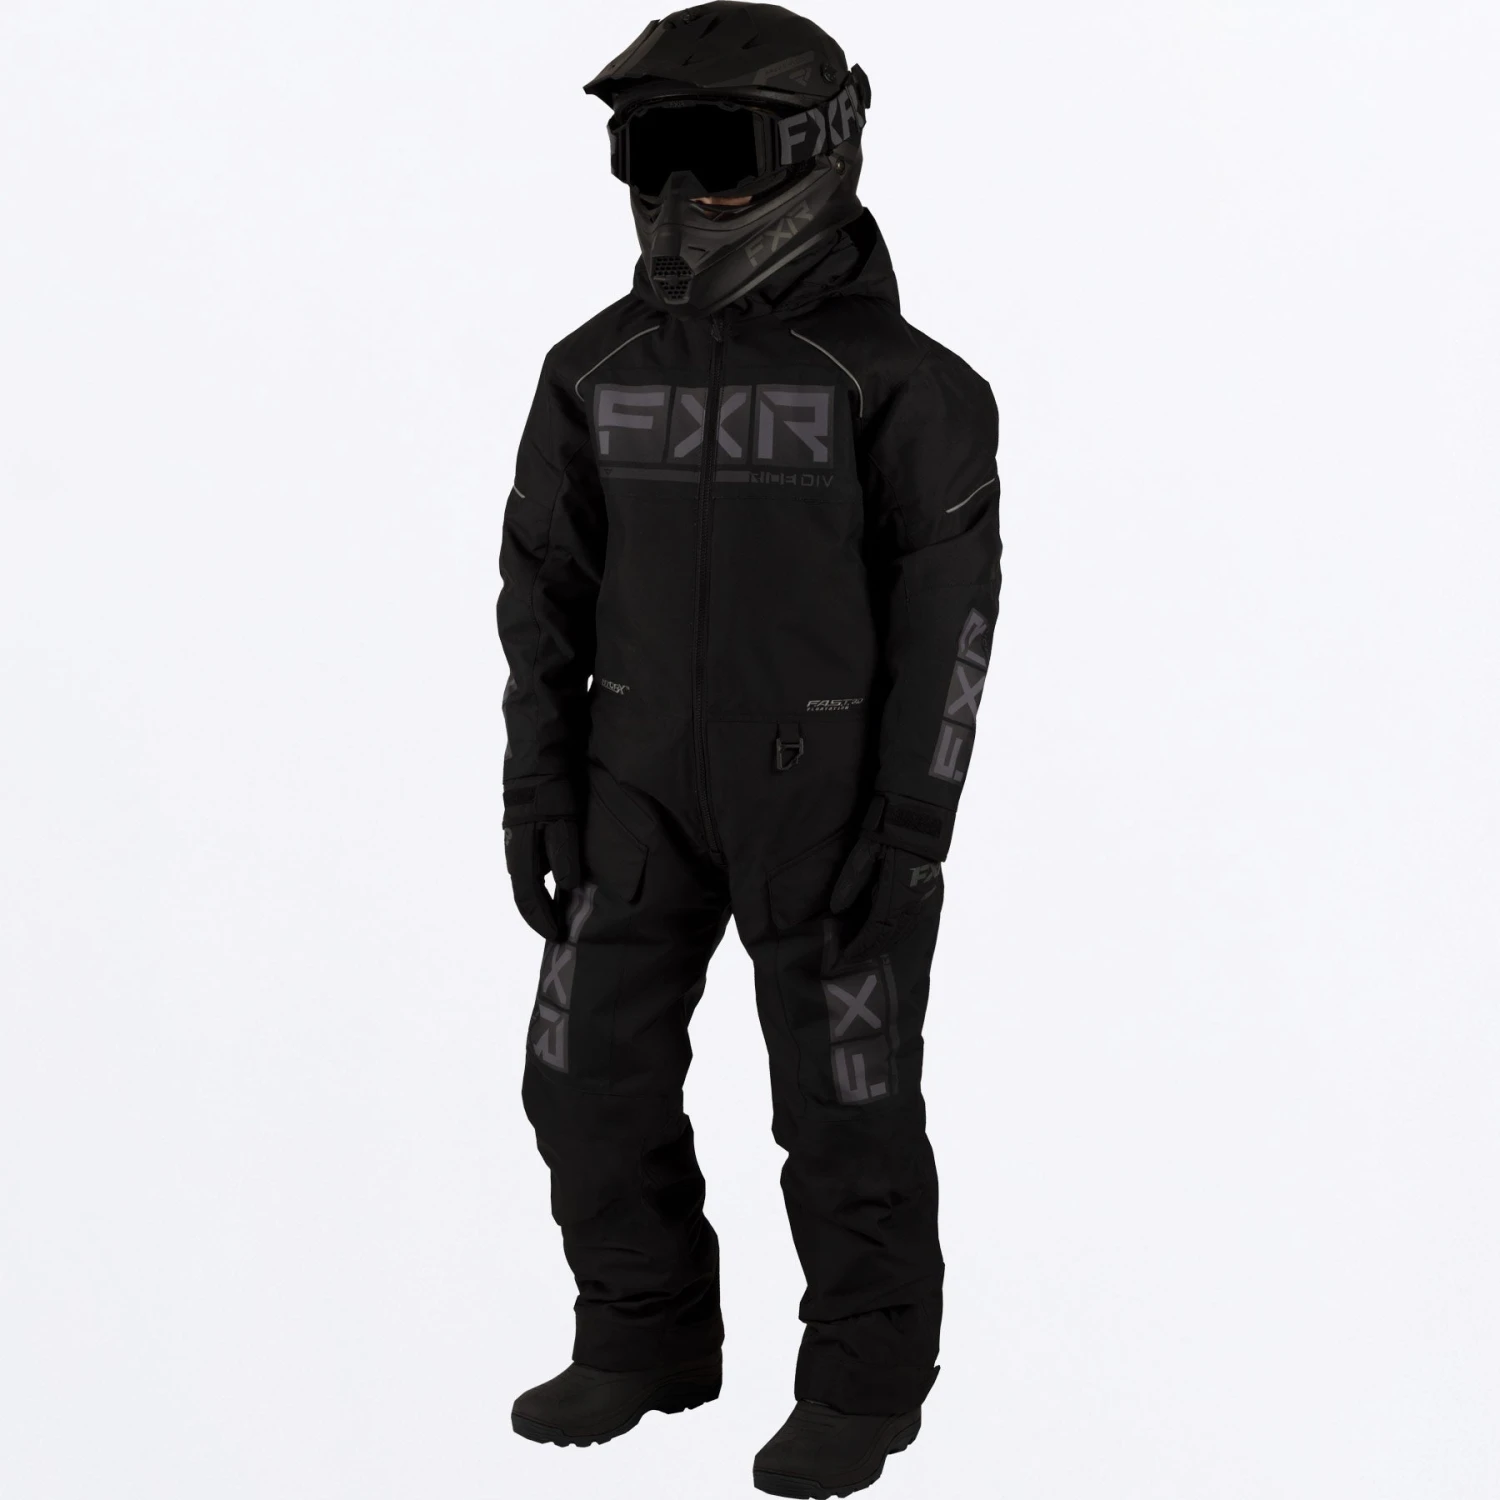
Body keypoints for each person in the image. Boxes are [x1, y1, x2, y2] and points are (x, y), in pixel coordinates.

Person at [497, 5, 1001, 1493]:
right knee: (578, 1076)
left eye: (715, 158)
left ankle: (865, 1382)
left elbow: (953, 631)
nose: (673, 201)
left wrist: (909, 827)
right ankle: (643, 1335)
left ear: (816, 153)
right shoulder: (590, 370)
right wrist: (538, 777)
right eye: (644, 157)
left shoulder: (909, 390)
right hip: (634, 793)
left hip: (828, 813)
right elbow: (541, 592)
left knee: (845, 1106)